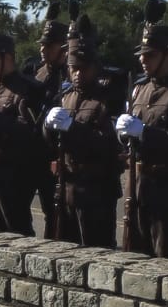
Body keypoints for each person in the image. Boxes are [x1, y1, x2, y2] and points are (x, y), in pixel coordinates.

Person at [117, 17, 168, 260]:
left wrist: (145, 132)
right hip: (138, 183)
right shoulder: (140, 89)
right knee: (133, 256)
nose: (143, 59)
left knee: (167, 257)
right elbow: (131, 138)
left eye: (150, 55)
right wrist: (124, 135)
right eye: (142, 54)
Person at [43, 18, 121, 247]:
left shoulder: (109, 96)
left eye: (82, 68)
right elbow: (50, 143)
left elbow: (108, 144)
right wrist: (47, 126)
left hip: (96, 192)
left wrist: (73, 129)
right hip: (66, 189)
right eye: (72, 68)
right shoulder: (66, 95)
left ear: (95, 65)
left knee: (96, 252)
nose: (77, 74)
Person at [0, 23, 43, 235]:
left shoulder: (28, 89)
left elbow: (30, 133)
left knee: (16, 231)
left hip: (14, 174)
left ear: (8, 58)